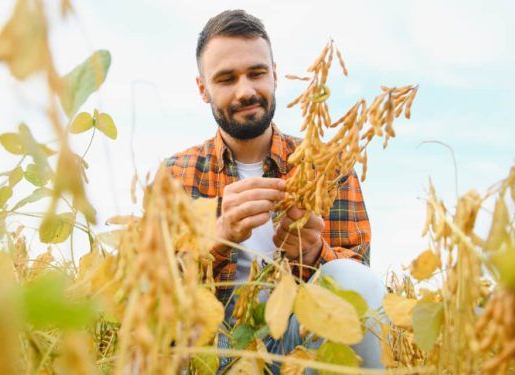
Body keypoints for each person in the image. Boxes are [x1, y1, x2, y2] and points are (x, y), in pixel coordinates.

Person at [164, 9, 386, 369]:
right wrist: (216, 237)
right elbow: (152, 286)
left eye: (256, 73)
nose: (246, 90)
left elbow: (361, 283)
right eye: (226, 79)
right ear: (203, 89)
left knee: (350, 278)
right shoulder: (176, 174)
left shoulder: (328, 167)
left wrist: (313, 254)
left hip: (299, 343)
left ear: (275, 75)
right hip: (210, 348)